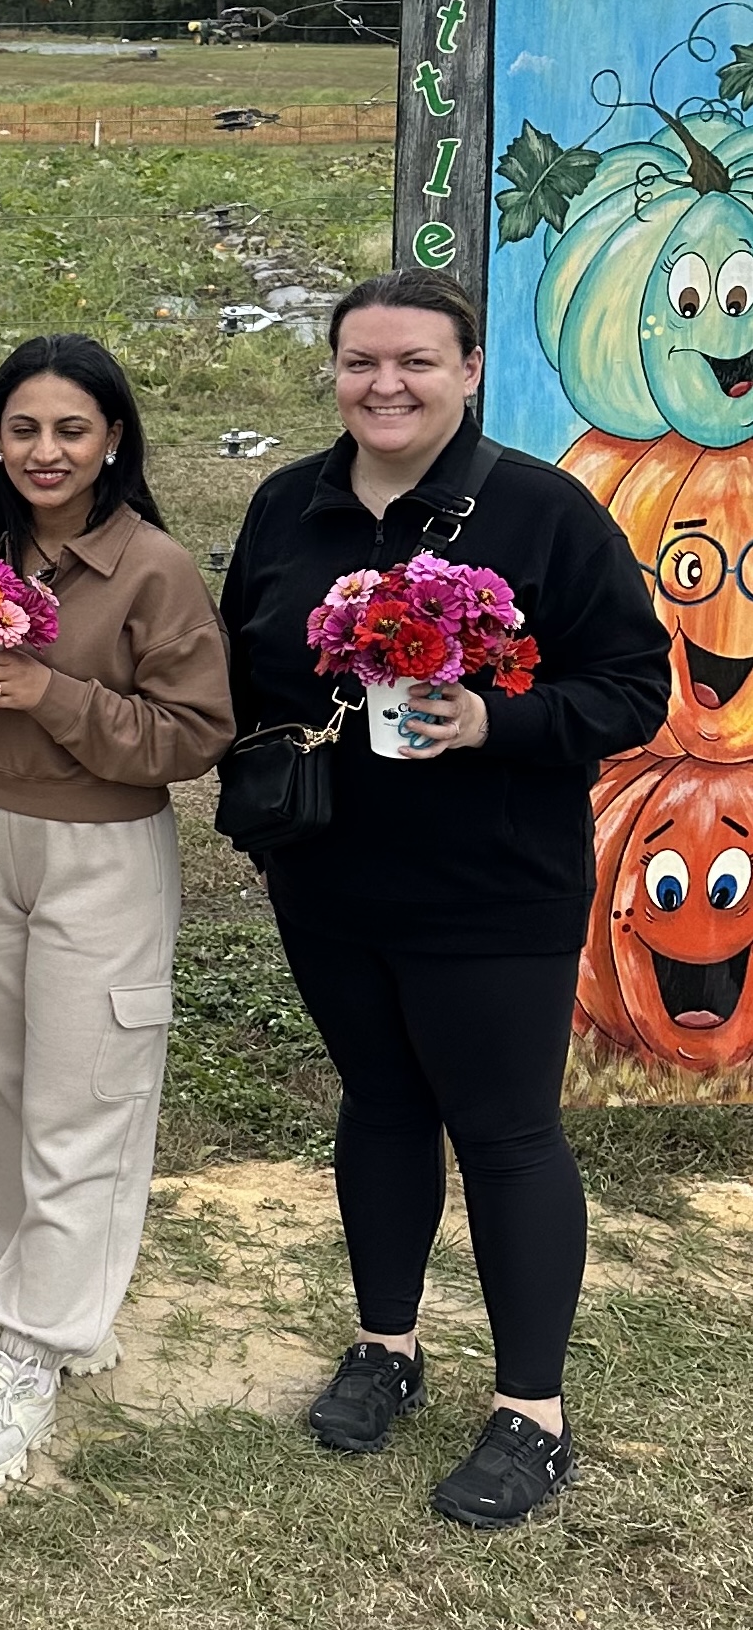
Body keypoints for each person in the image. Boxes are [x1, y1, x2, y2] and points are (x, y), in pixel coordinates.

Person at [221, 269, 668, 1529]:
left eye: (416, 360)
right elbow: (244, 662)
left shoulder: (539, 511)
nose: (387, 384)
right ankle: (386, 1346)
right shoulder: (289, 504)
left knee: (506, 1132)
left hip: (493, 883)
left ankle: (533, 1413)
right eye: (361, 360)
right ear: (333, 370)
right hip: (331, 876)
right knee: (380, 1103)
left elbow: (634, 685)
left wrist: (491, 719)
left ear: (469, 370)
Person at [0, 335, 233, 1487]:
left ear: (113, 440)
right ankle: (54, 1309)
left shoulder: (152, 569)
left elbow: (193, 734)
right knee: (0, 1096)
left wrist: (54, 693)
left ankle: (29, 1352)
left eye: (72, 428)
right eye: (25, 428)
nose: (47, 450)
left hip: (100, 855)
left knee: (84, 1102)